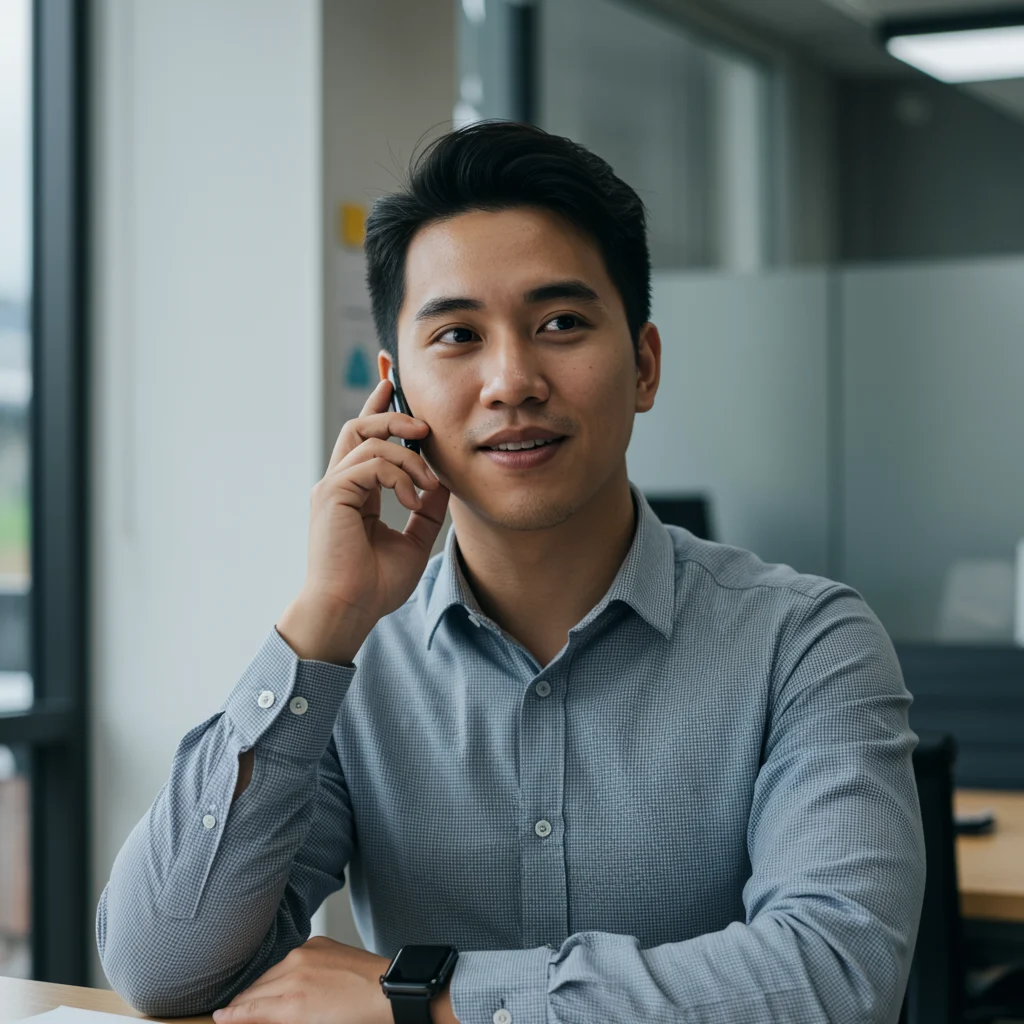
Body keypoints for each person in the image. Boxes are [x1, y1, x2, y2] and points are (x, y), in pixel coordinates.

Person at [97, 121, 925, 1024]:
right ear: (396, 393)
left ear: (644, 365)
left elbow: (837, 979)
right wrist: (322, 619)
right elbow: (162, 967)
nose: (511, 380)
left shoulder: (806, 642)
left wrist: (430, 1002)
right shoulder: (351, 662)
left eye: (561, 323)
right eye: (456, 335)